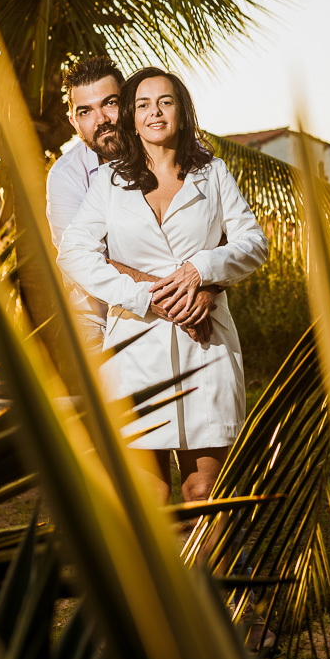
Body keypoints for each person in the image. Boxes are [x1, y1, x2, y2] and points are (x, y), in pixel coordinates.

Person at [57, 66, 269, 506]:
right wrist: (146, 297)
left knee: (204, 490)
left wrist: (201, 271)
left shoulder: (213, 173)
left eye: (165, 102)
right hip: (134, 345)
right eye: (143, 105)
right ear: (132, 118)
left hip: (205, 345)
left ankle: (210, 555)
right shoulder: (109, 181)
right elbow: (73, 253)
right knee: (147, 495)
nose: (154, 112)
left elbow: (253, 244)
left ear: (182, 111)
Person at [46, 55, 214, 347]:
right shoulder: (65, 176)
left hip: (192, 310)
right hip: (98, 323)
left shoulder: (183, 150)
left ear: (128, 102)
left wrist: (211, 285)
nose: (101, 119)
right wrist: (174, 295)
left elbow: (222, 226)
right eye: (85, 111)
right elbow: (84, 258)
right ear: (73, 121)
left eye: (110, 103)